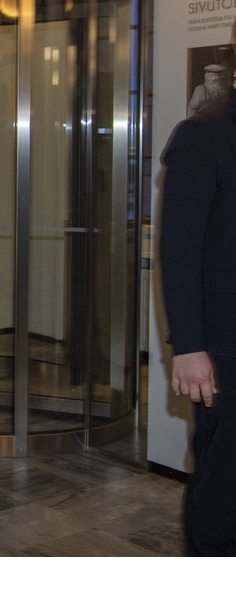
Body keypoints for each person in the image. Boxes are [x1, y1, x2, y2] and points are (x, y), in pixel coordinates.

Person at [160, 83, 236, 556]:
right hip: (226, 351)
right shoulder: (204, 133)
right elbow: (179, 250)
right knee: (224, 485)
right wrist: (189, 348)